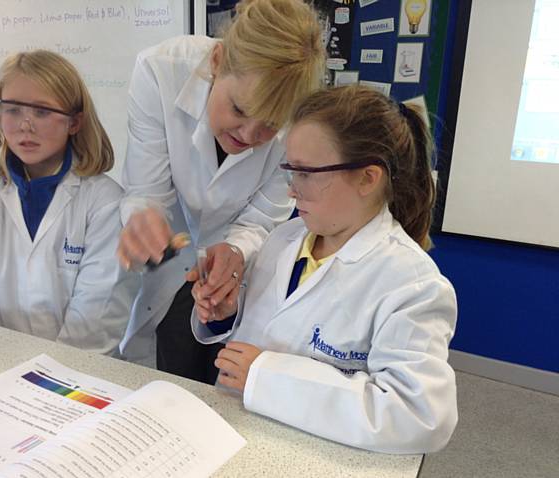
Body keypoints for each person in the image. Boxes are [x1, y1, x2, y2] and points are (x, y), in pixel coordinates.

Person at [191, 85, 458, 453]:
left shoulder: (412, 284)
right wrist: (226, 314)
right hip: (238, 434)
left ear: (368, 178)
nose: (292, 191)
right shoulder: (283, 239)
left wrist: (267, 377)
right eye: (291, 171)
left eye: (306, 173)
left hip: (314, 455)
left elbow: (419, 416)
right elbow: (264, 330)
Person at [117, 0, 325, 382]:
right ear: (217, 60)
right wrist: (144, 216)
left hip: (236, 276)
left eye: (269, 127)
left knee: (220, 377)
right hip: (168, 263)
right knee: (162, 369)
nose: (248, 136)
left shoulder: (301, 122)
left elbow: (263, 219)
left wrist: (236, 249)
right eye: (240, 110)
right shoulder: (159, 71)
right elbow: (147, 189)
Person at [0, 50, 135, 355]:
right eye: (13, 110)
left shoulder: (104, 202)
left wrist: (46, 375)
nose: (25, 126)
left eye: (42, 112)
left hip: (76, 373)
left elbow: (93, 324)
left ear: (74, 122)